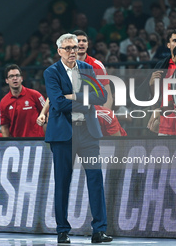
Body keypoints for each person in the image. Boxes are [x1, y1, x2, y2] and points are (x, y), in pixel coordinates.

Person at [43, 33, 112, 243]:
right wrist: (85, 100)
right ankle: (62, 231)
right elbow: (57, 103)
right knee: (63, 182)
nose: (73, 51)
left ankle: (99, 230)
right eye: (68, 48)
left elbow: (101, 97)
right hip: (63, 134)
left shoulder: (87, 68)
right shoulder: (51, 72)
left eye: (75, 47)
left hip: (88, 132)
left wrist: (73, 97)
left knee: (95, 180)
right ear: (59, 51)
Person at [0, 64, 45, 137]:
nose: (15, 78)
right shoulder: (3, 103)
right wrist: (7, 143)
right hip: (18, 144)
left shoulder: (35, 95)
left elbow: (48, 113)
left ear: (22, 78)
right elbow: (4, 127)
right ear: (7, 80)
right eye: (11, 76)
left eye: (17, 75)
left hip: (37, 142)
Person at [73, 30, 113, 109]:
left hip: (93, 111)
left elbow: (108, 98)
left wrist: (103, 115)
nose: (81, 43)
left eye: (84, 41)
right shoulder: (63, 65)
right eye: (78, 41)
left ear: (87, 44)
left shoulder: (97, 65)